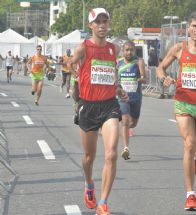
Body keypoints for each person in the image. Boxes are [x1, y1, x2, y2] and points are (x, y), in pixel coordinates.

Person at [68, 8, 128, 215]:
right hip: (88, 106)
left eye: (105, 21)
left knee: (111, 153)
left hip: (109, 105)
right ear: (91, 25)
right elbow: (68, 64)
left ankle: (103, 203)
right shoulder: (83, 48)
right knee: (88, 156)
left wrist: (118, 87)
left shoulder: (114, 49)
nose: (102, 25)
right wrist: (75, 80)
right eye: (98, 22)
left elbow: (110, 73)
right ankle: (89, 183)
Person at [157, 11, 196, 211]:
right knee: (189, 144)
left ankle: (195, 161)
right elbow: (160, 68)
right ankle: (190, 194)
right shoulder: (178, 49)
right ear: (188, 28)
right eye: (194, 26)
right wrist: (163, 78)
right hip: (183, 103)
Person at [118, 40, 147, 160]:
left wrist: (138, 80)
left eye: (131, 50)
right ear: (123, 51)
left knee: (133, 124)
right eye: (127, 50)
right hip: (123, 97)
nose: (129, 52)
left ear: (134, 51)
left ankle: (125, 129)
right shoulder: (118, 63)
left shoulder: (139, 62)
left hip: (136, 97)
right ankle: (126, 148)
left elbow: (145, 78)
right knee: (124, 121)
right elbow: (114, 79)